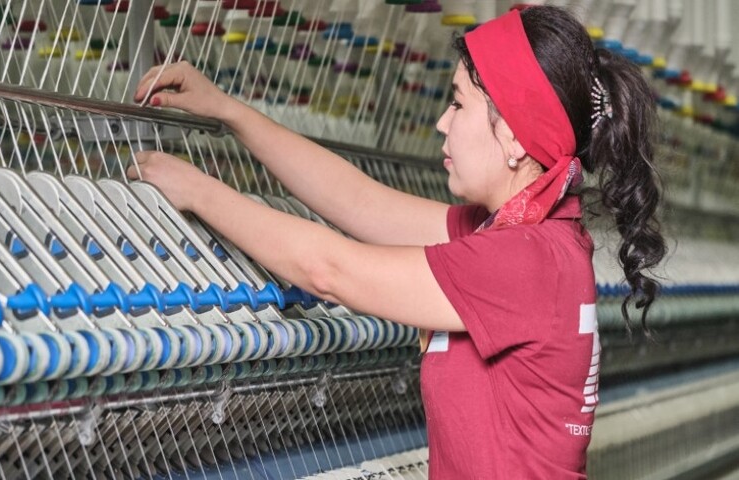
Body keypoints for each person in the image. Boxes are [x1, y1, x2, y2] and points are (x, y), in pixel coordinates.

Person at [128, 5, 666, 479]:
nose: (440, 123)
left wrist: (197, 191)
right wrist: (229, 112)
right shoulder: (526, 236)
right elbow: (362, 205)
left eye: (457, 105)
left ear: (513, 137)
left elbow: (328, 270)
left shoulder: (522, 262)